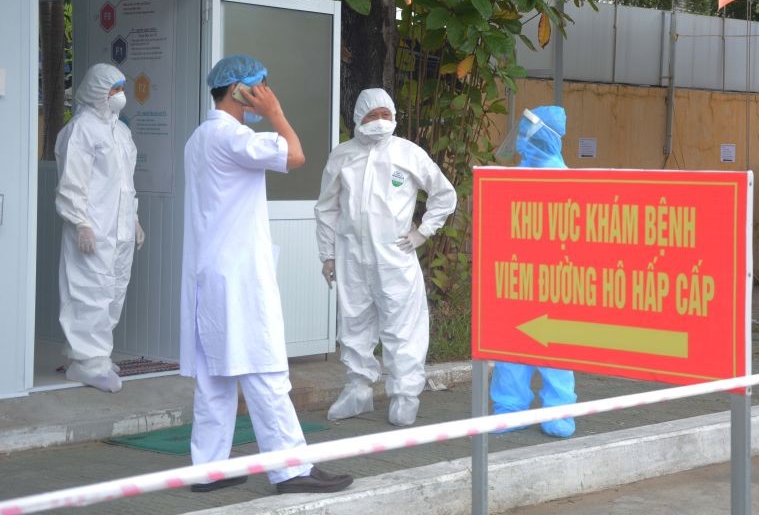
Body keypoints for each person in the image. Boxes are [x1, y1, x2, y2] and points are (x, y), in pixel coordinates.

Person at [180, 54, 352, 494]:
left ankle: (209, 469)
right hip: (237, 276)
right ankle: (291, 470)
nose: (266, 92)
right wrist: (275, 114)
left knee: (216, 375)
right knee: (266, 370)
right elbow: (295, 155)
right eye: (258, 86)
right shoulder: (233, 137)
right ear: (238, 90)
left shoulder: (201, 137)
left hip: (212, 274)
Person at [315, 88, 457, 427]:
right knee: (353, 322)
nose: (379, 121)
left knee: (402, 325)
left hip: (394, 256)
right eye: (372, 115)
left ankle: (405, 395)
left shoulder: (408, 153)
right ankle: (358, 389)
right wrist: (328, 254)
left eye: (385, 114)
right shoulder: (342, 156)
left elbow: (444, 193)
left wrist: (424, 231)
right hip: (351, 256)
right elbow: (327, 208)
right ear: (357, 118)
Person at [55, 63, 145, 393]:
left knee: (113, 289)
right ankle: (87, 362)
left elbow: (125, 183)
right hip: (92, 227)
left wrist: (133, 218)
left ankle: (96, 356)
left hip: (119, 227)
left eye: (121, 87)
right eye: (113, 89)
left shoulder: (120, 132)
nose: (119, 95)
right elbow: (72, 182)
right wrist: (80, 222)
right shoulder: (81, 129)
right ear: (96, 90)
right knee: (88, 290)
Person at [490, 106, 577, 438]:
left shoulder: (568, 181)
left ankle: (559, 410)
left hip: (556, 282)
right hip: (516, 280)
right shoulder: (511, 178)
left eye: (530, 134)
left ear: (545, 137)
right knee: (511, 347)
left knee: (556, 349)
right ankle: (509, 407)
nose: (524, 141)